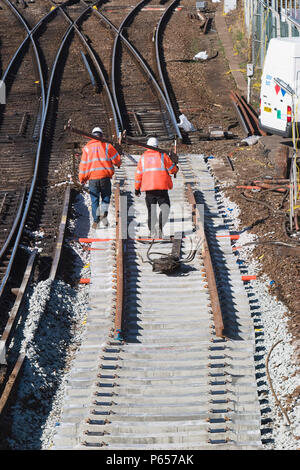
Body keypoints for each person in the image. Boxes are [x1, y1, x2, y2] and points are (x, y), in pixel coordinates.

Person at [134, 137, 178, 238]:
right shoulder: (163, 156)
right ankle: (160, 228)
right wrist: (176, 168)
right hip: (161, 188)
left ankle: (153, 232)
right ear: (157, 146)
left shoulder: (143, 158)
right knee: (165, 208)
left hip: (149, 190)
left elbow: (138, 174)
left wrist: (137, 188)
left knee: (151, 212)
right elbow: (172, 170)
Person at [79, 127, 122, 229]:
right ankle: (103, 213)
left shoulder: (87, 148)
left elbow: (83, 165)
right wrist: (118, 163)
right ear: (101, 136)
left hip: (92, 179)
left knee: (94, 200)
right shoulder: (107, 146)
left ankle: (96, 221)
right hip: (105, 177)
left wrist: (82, 178)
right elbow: (117, 160)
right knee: (106, 197)